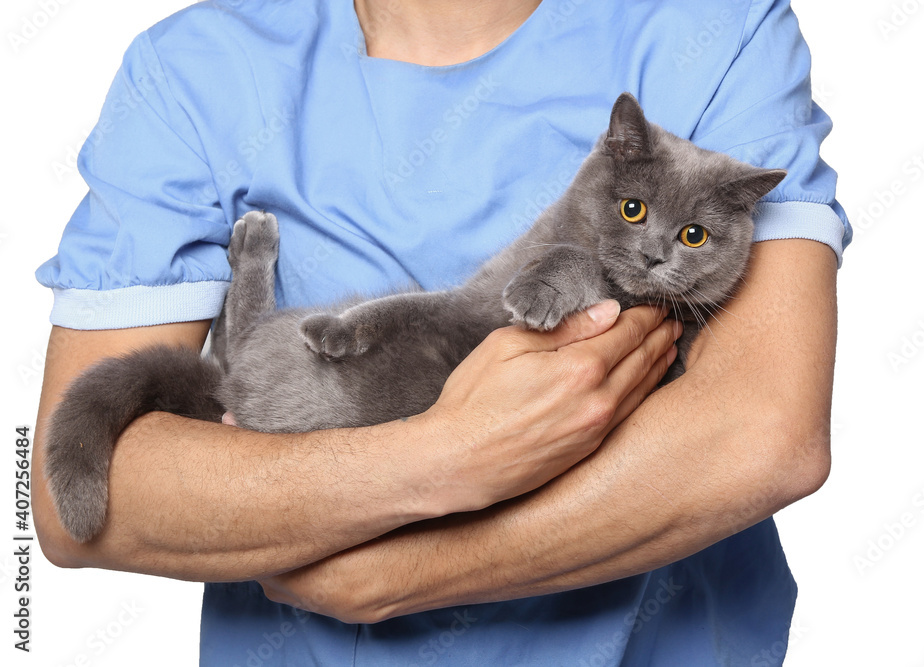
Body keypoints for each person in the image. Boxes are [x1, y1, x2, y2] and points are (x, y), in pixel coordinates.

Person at [33, 0, 849, 664]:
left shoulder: (716, 31)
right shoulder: (197, 71)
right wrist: (443, 460)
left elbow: (766, 433)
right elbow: (83, 503)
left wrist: (401, 571)